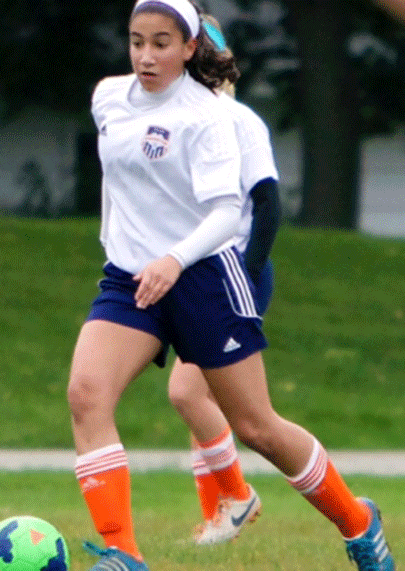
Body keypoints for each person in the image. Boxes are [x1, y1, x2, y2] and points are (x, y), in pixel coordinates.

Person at [66, 1, 395, 570]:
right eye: (137, 41)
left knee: (258, 428)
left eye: (161, 43)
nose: (146, 55)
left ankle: (359, 523)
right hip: (131, 281)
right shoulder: (107, 98)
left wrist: (174, 258)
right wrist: (124, 244)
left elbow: (226, 212)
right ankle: (122, 555)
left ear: (190, 48)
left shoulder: (210, 116)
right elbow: (120, 179)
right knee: (86, 396)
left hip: (206, 279)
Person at [166, 13, 281, 546]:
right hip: (197, 274)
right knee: (204, 401)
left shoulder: (237, 121)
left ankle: (238, 497)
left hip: (235, 273)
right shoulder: (179, 121)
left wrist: (245, 278)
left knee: (190, 392)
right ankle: (218, 515)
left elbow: (268, 207)